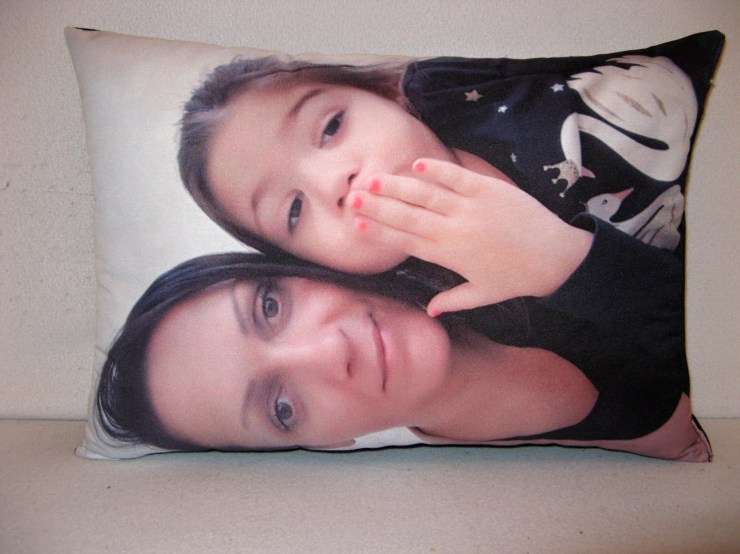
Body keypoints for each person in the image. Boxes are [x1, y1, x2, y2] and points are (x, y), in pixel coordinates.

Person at [94, 217, 710, 460]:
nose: (328, 352)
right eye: (281, 408)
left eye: (270, 306)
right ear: (326, 444)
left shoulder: (509, 233)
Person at [177, 44, 701, 315]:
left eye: (332, 127)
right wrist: (560, 267)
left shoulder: (473, 92)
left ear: (389, 94)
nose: (335, 181)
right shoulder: (451, 320)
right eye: (293, 211)